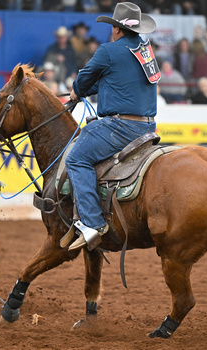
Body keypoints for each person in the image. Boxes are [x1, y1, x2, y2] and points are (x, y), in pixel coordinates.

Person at [66, 2, 158, 251]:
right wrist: (85, 90)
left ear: (117, 30)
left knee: (76, 158)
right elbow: (117, 81)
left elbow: (84, 79)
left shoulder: (108, 50)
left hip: (120, 127)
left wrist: (75, 93)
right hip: (148, 128)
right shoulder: (145, 50)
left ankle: (93, 223)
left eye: (112, 28)